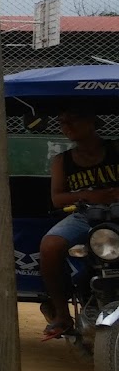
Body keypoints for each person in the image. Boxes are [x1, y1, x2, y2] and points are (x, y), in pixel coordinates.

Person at [40, 105, 119, 340]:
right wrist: (92, 196)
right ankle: (62, 315)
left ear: (92, 121)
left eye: (73, 119)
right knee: (50, 245)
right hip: (85, 214)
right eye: (63, 122)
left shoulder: (116, 148)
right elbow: (57, 199)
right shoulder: (62, 161)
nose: (67, 127)